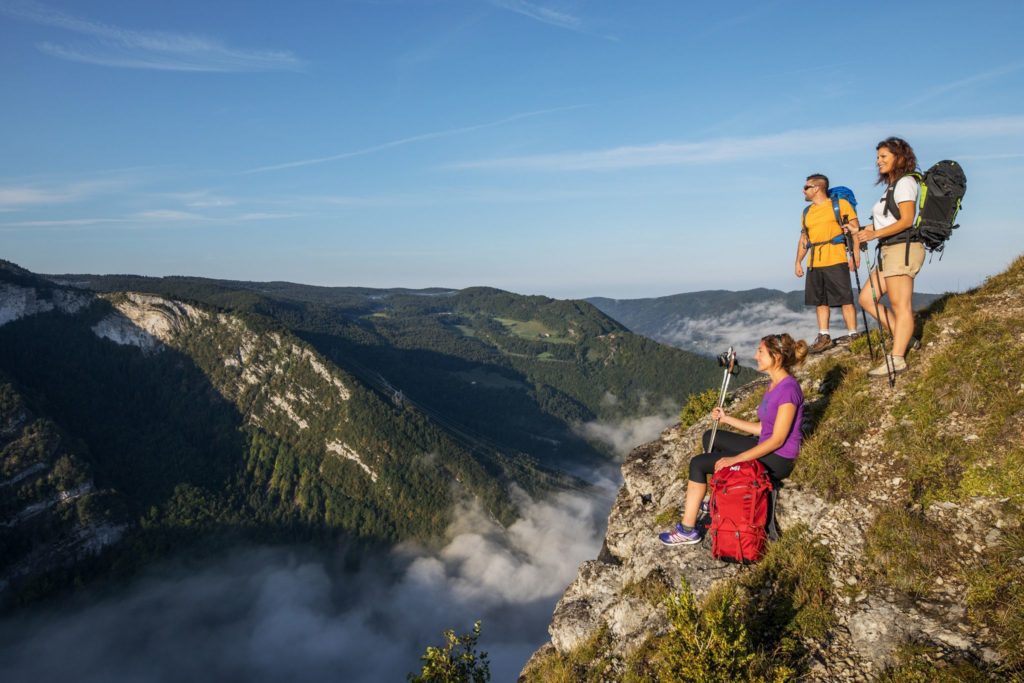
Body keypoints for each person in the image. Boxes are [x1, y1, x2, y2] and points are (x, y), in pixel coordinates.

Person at [659, 334, 808, 546]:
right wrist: (726, 418)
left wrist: (736, 460)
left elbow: (777, 440)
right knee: (711, 436)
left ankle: (688, 530)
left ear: (776, 357)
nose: (756, 356)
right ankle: (721, 494)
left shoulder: (788, 390)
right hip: (766, 447)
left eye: (761, 352)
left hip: (779, 459)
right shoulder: (775, 385)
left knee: (698, 464)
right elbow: (762, 428)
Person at [853, 137, 922, 377]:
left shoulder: (905, 184)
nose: (878, 161)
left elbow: (907, 220)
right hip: (889, 249)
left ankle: (898, 358)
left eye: (883, 157)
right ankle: (906, 338)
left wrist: (874, 235)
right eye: (878, 157)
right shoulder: (892, 187)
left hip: (902, 248)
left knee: (900, 305)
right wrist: (863, 231)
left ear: (899, 158)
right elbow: (888, 220)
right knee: (866, 299)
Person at [795, 174, 861, 354]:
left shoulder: (840, 205)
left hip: (837, 257)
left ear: (816, 188)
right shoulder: (806, 212)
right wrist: (798, 261)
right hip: (815, 261)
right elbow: (804, 239)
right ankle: (824, 335)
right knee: (820, 300)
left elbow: (855, 230)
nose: (804, 190)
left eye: (806, 187)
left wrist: (855, 255)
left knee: (845, 298)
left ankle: (853, 334)